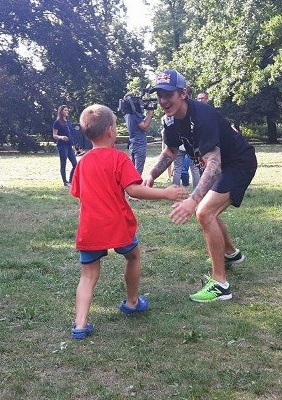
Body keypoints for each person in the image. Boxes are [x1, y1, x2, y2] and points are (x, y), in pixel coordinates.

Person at [69, 104, 187, 339]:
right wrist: (165, 193)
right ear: (111, 131)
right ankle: (132, 302)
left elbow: (78, 193)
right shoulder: (119, 158)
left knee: (88, 275)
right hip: (117, 224)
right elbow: (133, 190)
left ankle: (80, 325)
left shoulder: (82, 163)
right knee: (132, 256)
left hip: (91, 227)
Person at [144, 69, 257, 303]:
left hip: (238, 163)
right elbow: (170, 150)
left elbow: (214, 162)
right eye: (159, 95)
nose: (164, 101)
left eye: (168, 94)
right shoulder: (171, 120)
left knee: (204, 211)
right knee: (208, 210)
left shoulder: (201, 115)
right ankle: (230, 254)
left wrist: (192, 200)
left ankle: (220, 285)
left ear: (183, 93)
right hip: (222, 164)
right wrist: (152, 174)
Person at [124, 97, 154, 175]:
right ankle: (136, 186)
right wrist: (150, 113)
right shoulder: (134, 115)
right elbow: (145, 127)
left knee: (133, 171)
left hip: (132, 144)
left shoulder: (127, 115)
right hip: (139, 145)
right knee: (137, 173)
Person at [52, 105, 77, 188]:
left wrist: (73, 144)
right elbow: (54, 135)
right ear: (61, 111)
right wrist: (61, 137)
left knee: (75, 164)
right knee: (63, 163)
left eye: (67, 110)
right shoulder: (57, 122)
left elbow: (70, 134)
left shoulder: (68, 122)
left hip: (69, 145)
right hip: (62, 145)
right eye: (65, 110)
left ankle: (71, 181)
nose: (67, 112)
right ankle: (65, 182)